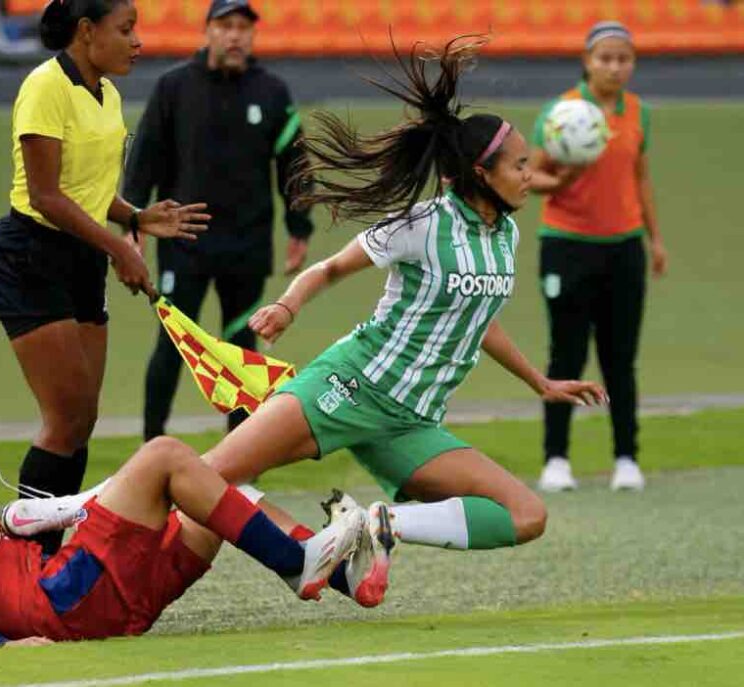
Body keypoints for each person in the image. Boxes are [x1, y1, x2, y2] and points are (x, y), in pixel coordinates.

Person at [201, 38, 608, 574]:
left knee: (527, 514)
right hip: (350, 386)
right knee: (207, 473)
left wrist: (541, 382)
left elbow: (475, 323)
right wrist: (287, 305)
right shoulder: (421, 224)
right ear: (483, 174)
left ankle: (378, 523)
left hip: (410, 424)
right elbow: (329, 268)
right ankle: (69, 513)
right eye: (521, 166)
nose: (530, 176)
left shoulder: (504, 234)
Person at [0, 420, 379, 648]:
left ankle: (341, 577)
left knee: (218, 489)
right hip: (72, 601)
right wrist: (2, 648)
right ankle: (300, 560)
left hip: (98, 603)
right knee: (164, 455)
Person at [0, 0, 210, 545]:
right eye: (126, 30)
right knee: (64, 420)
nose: (138, 42)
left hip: (80, 260)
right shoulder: (45, 86)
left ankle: (47, 557)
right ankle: (24, 563)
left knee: (81, 421)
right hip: (30, 258)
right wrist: (121, 248)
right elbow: (45, 194)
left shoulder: (107, 93)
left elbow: (88, 190)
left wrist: (135, 217)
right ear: (87, 32)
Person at [122, 0, 314, 440]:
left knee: (238, 351)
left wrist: (299, 228)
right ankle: (151, 445)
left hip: (246, 245)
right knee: (172, 347)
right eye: (225, 26)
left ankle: (239, 458)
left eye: (243, 27)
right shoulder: (174, 87)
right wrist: (133, 226)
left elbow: (295, 166)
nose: (235, 36)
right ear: (207, 31)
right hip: (184, 241)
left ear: (252, 35)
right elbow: (145, 158)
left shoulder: (272, 92)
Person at [529, 21, 664, 493]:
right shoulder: (561, 112)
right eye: (605, 58)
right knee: (566, 353)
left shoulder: (638, 114)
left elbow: (641, 177)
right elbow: (530, 176)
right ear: (588, 61)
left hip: (624, 248)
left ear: (632, 64)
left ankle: (626, 459)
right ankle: (556, 460)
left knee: (620, 358)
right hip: (566, 246)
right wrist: (562, 182)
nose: (614, 66)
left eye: (623, 58)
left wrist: (656, 239)